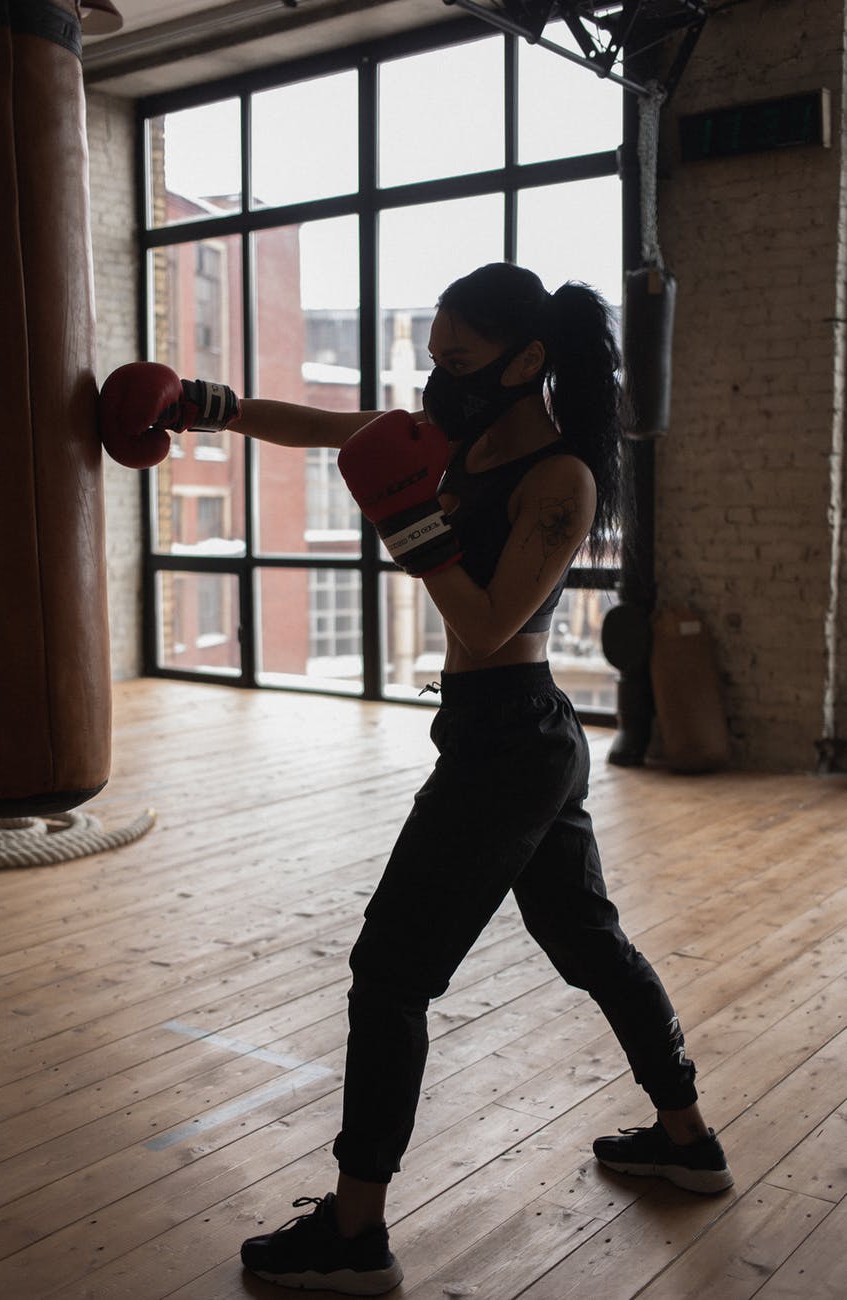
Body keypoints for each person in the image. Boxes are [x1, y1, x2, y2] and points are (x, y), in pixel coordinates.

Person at [99, 262, 733, 1297]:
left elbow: (485, 622)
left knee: (391, 973)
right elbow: (331, 428)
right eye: (432, 356)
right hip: (505, 736)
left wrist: (410, 520)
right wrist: (207, 405)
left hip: (510, 745)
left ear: (527, 360)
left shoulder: (560, 480)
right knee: (586, 938)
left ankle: (355, 1235)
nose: (439, 378)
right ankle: (688, 1140)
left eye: (460, 360)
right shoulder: (463, 438)